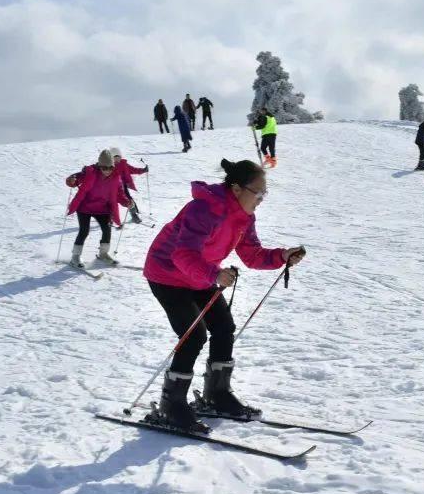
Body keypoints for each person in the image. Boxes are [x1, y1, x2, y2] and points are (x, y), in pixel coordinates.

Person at [142, 159, 306, 431]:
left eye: (265, 193)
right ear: (237, 188)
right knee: (193, 335)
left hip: (201, 275)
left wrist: (282, 256)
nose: (262, 199)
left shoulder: (244, 217)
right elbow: (182, 254)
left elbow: (252, 254)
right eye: (259, 192)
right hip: (167, 274)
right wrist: (213, 275)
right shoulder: (204, 209)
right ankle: (172, 406)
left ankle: (216, 395)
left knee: (224, 327)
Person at [65, 150, 123, 268]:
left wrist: (127, 202)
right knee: (84, 231)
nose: (107, 170)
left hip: (102, 208)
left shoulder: (115, 177)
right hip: (85, 207)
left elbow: (119, 193)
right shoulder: (89, 172)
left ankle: (103, 254)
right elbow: (76, 178)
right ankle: (75, 257)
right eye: (104, 168)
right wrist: (72, 180)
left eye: (110, 168)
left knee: (107, 229)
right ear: (99, 166)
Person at [109, 147, 148, 224]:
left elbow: (133, 169)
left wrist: (142, 170)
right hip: (110, 188)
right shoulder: (108, 166)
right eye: (114, 157)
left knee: (129, 200)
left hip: (122, 187)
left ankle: (134, 215)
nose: (117, 159)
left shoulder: (123, 164)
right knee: (110, 202)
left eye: (118, 157)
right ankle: (109, 218)